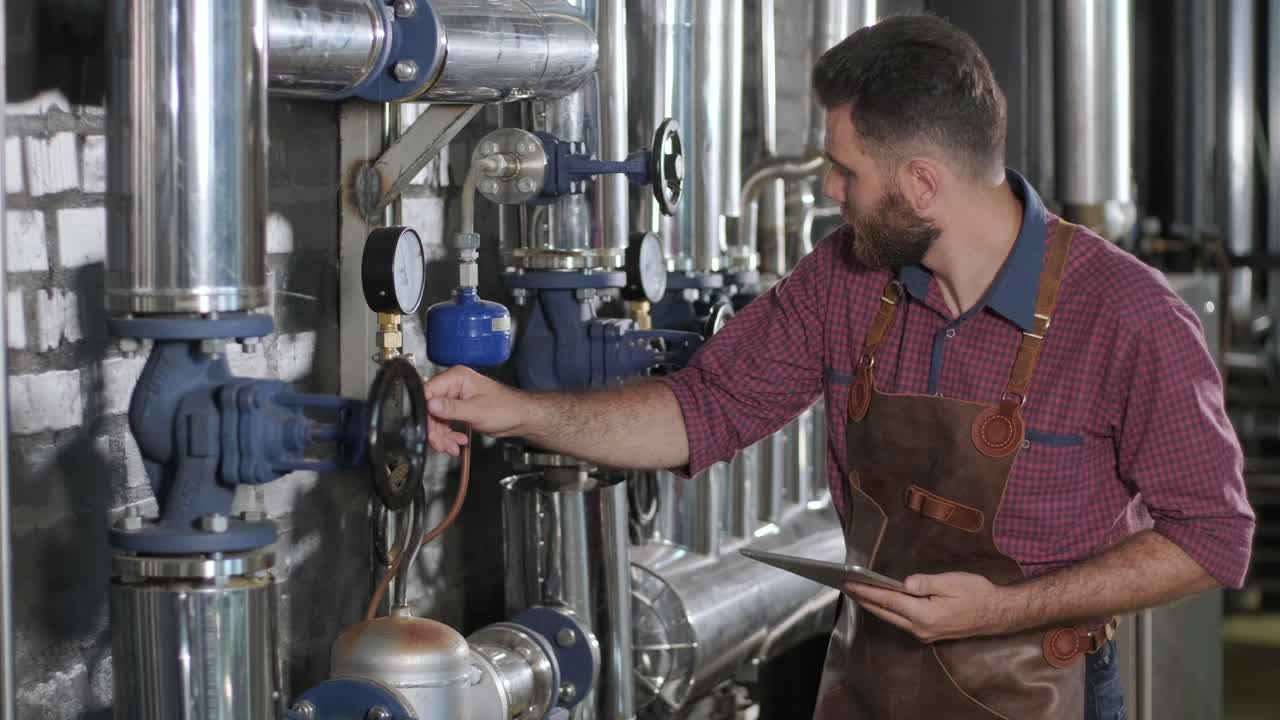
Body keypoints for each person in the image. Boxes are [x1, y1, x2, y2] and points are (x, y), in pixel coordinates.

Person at [423, 14, 1254, 720]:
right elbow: (700, 408)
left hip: (1040, 690)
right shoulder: (847, 279)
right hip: (872, 684)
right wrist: (519, 410)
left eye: (847, 171)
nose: (828, 190)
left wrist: (1002, 609)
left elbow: (1212, 540)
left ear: (922, 184)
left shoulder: (1126, 316)